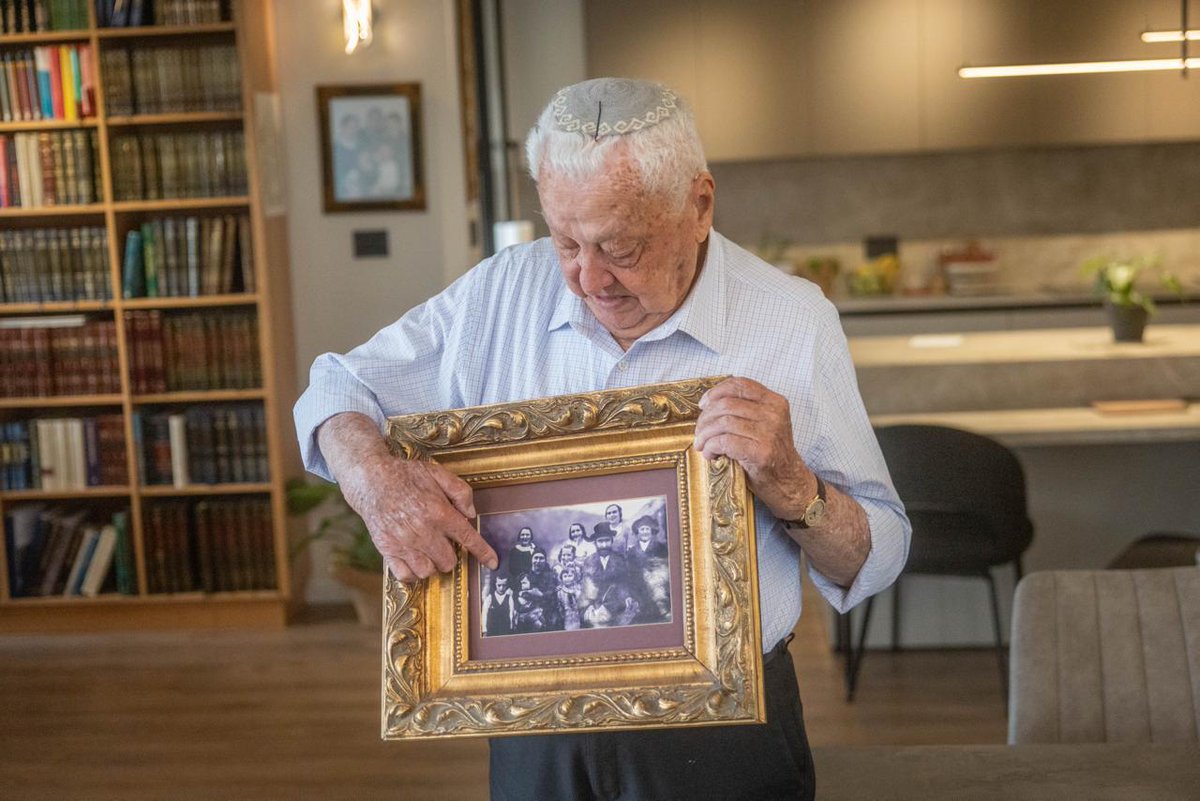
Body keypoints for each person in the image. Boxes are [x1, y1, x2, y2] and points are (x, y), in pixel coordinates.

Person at [294, 76, 910, 801]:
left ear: (699, 206)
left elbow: (880, 550)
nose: (588, 277)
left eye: (620, 245)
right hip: (537, 724)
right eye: (564, 241)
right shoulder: (499, 295)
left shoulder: (792, 321)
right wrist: (372, 477)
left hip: (726, 727)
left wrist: (795, 487)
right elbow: (336, 387)